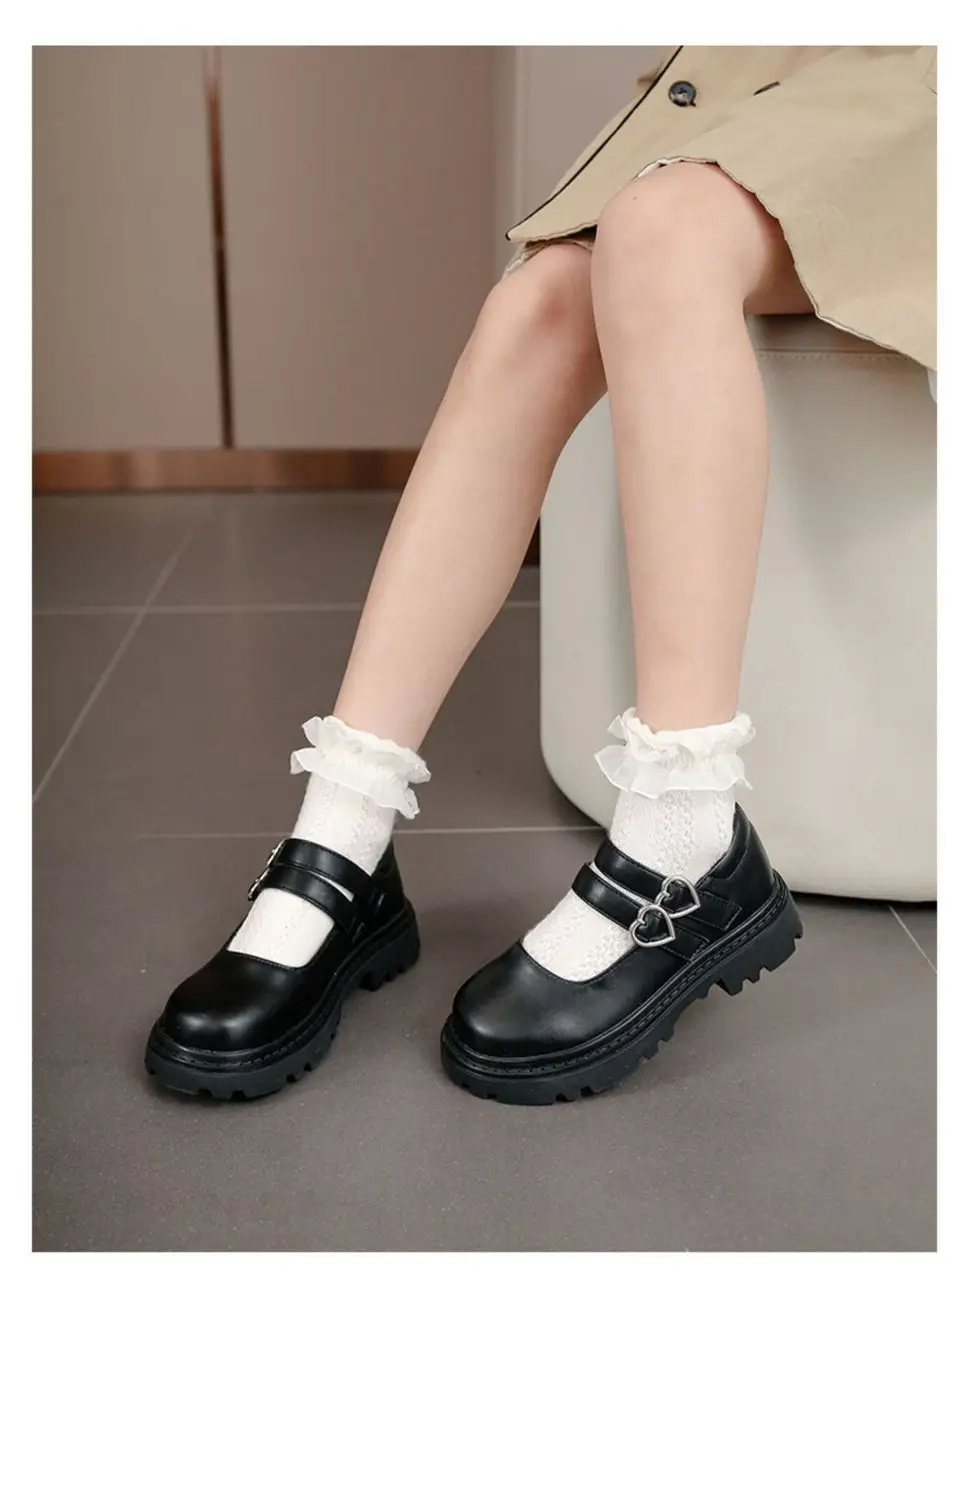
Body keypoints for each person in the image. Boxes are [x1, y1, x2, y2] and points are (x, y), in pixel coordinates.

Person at [144, 45, 936, 1105]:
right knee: (535, 310)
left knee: (663, 230)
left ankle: (684, 825)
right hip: (773, 81)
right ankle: (344, 832)